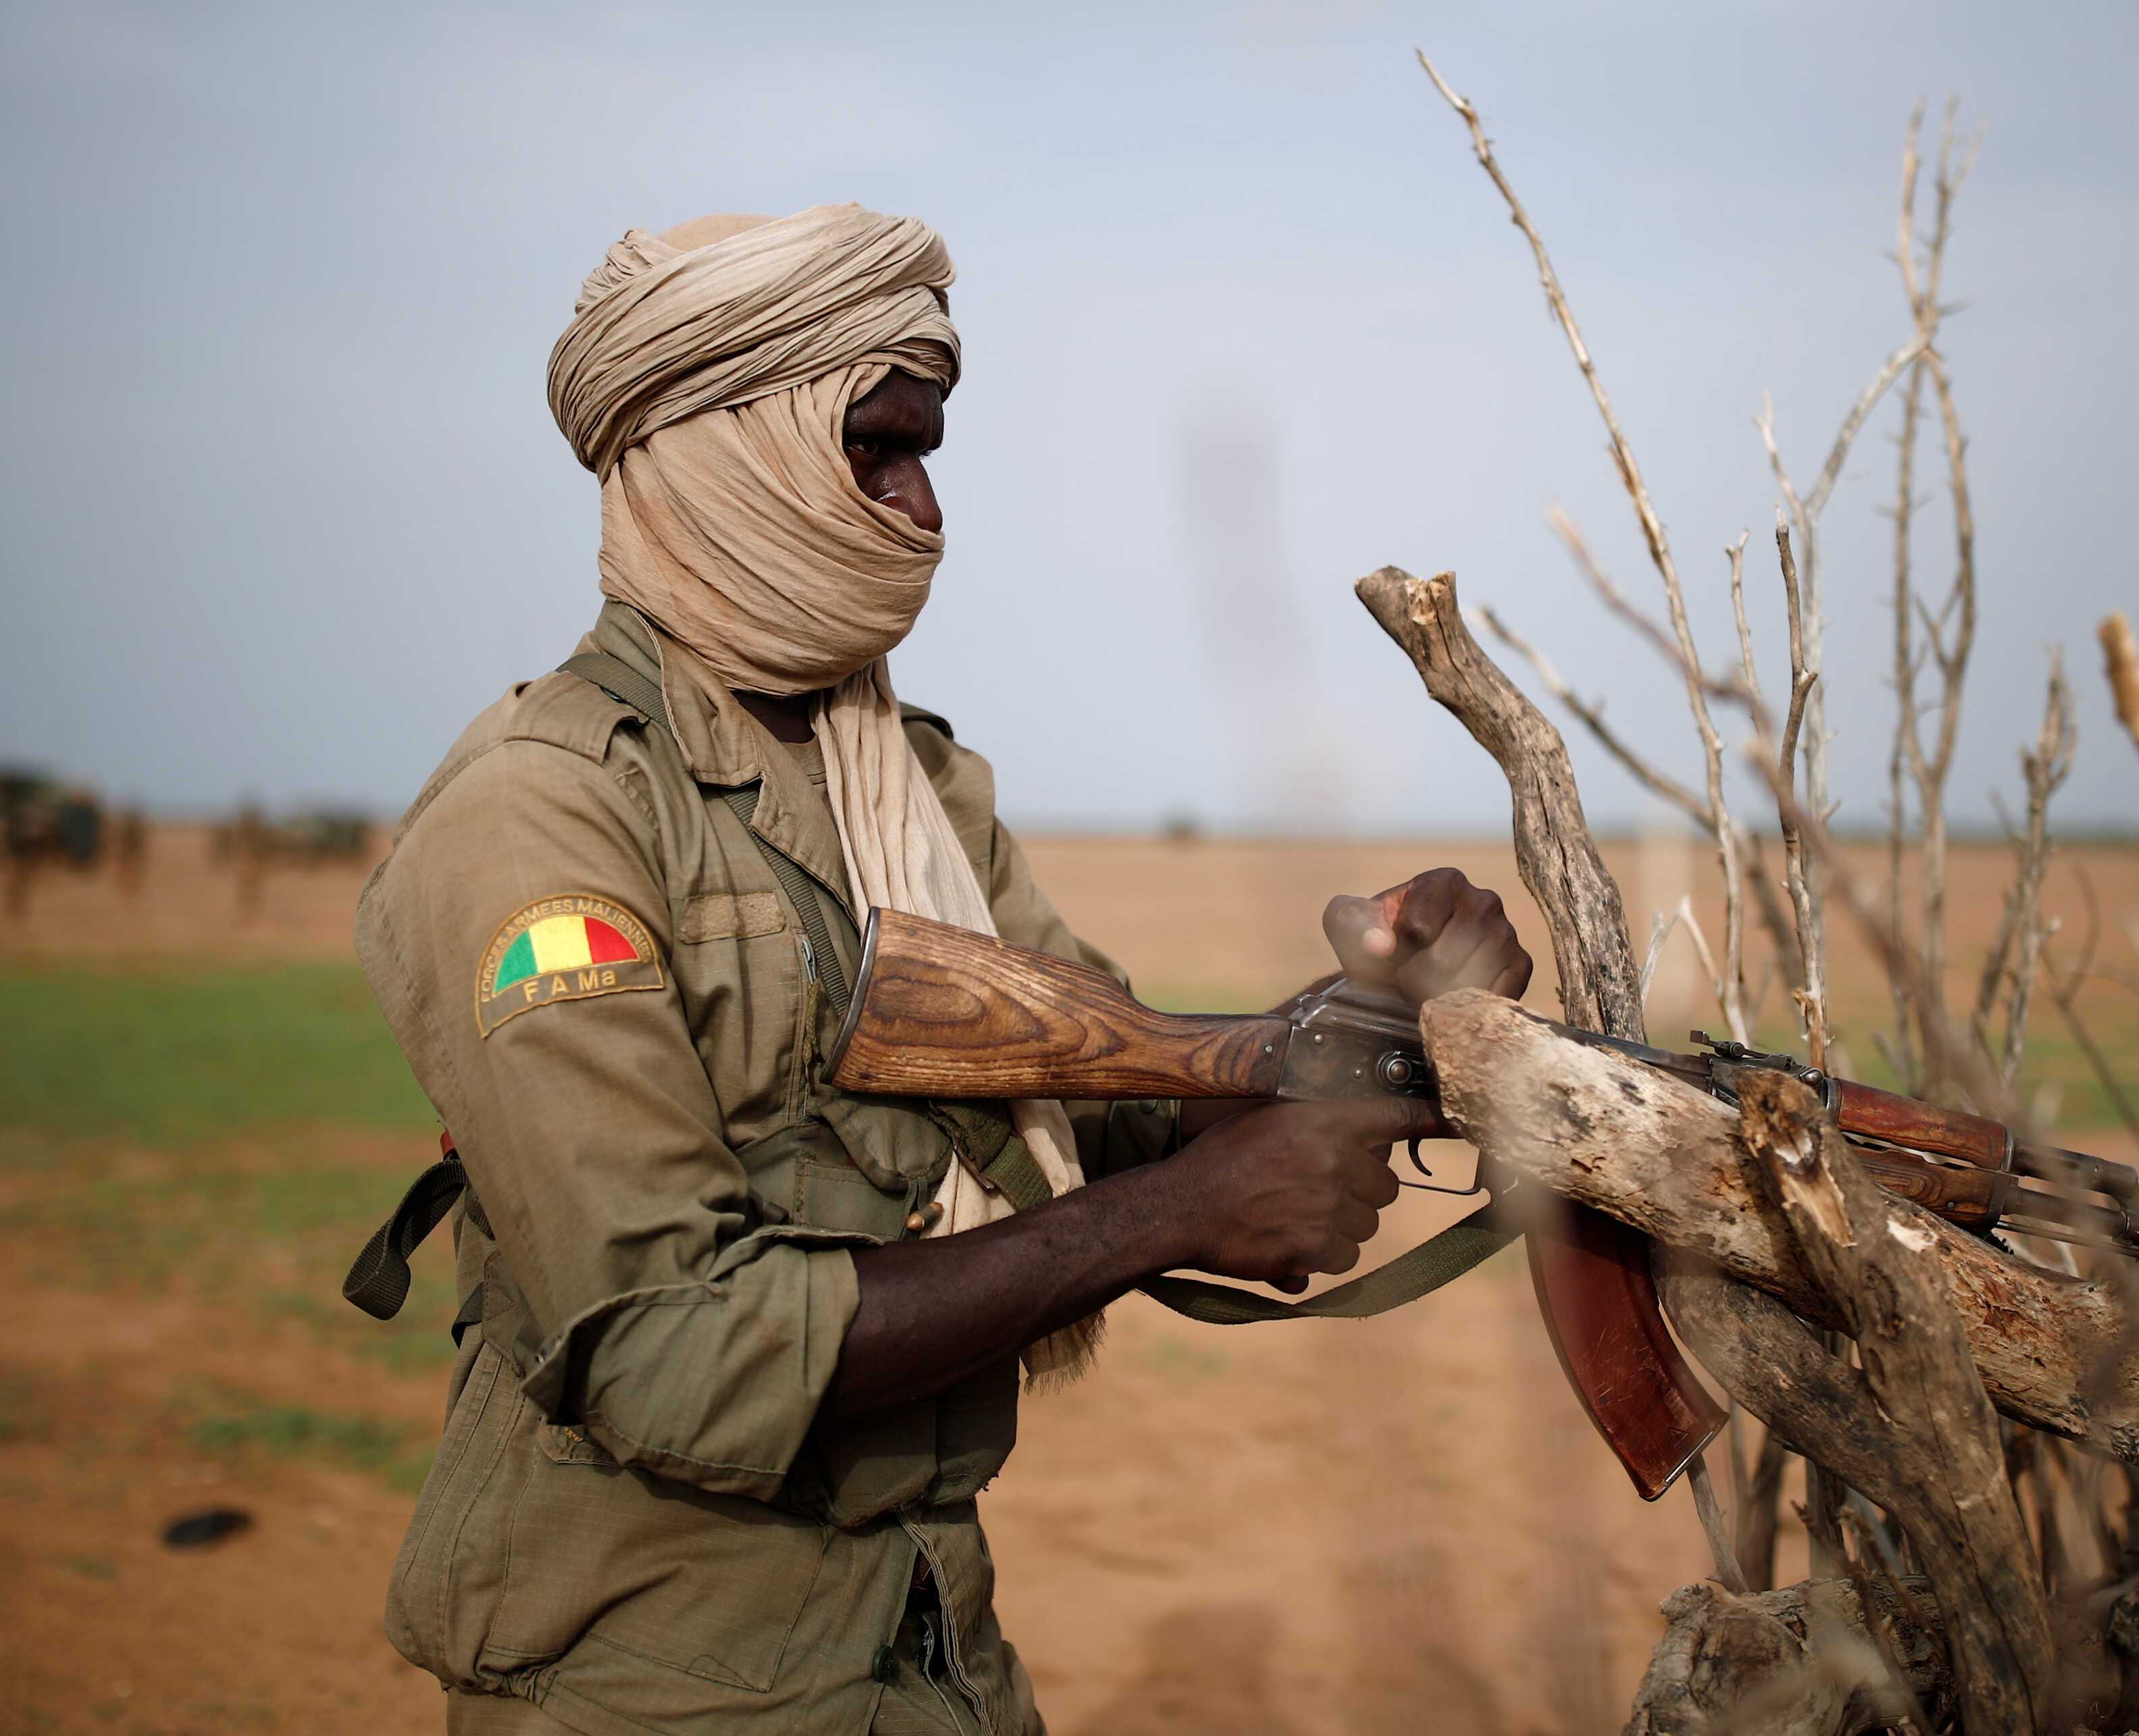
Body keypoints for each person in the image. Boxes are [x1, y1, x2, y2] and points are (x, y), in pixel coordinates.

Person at [353, 204, 1532, 1736]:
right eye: (873, 451)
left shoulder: (910, 784)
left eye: (930, 457)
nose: (920, 511)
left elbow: (1101, 1103)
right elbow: (669, 1350)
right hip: (650, 1685)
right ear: (731, 452)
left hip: (933, 1651)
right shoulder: (547, 807)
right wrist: (1184, 1212)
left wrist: (1356, 1021)